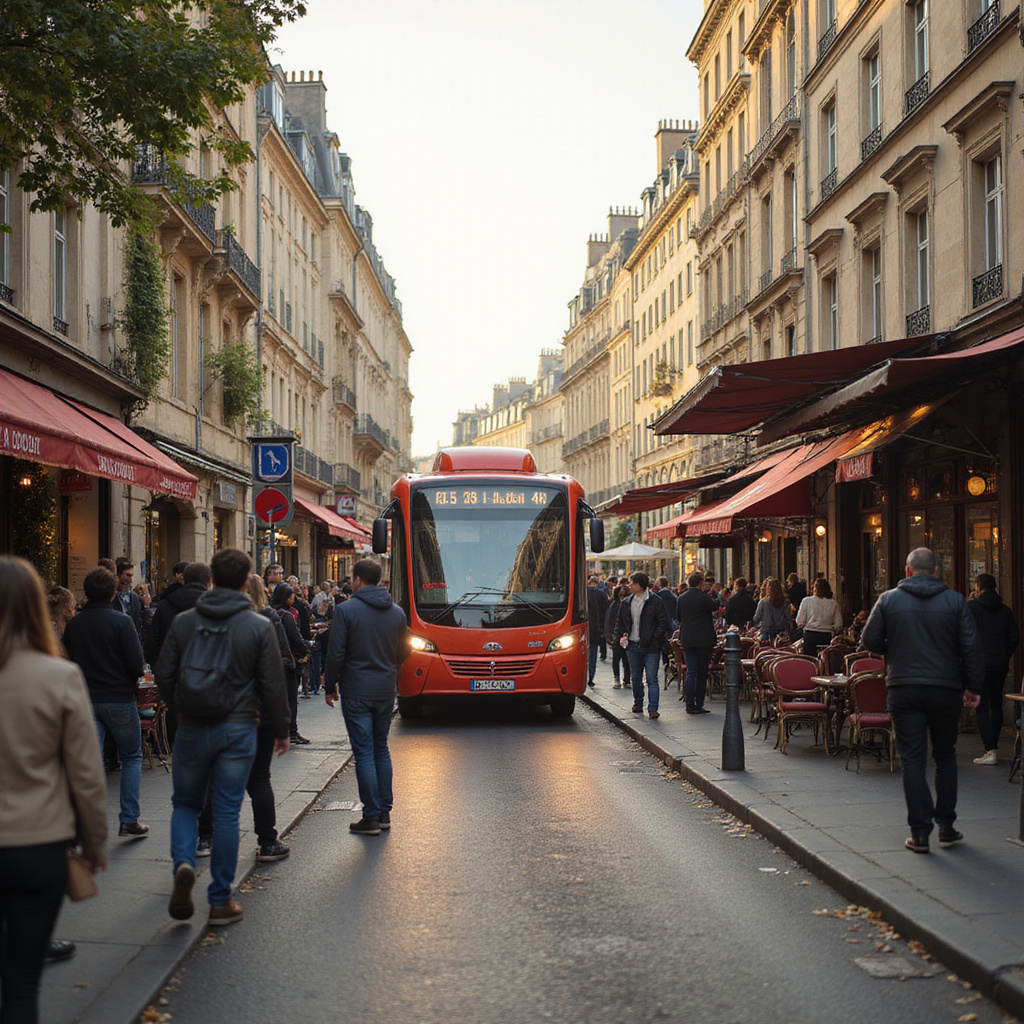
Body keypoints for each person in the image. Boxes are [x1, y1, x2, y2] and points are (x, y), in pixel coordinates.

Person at [156, 548, 290, 926]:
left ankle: (184, 862)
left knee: (185, 804)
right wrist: (281, 730)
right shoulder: (259, 625)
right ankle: (219, 900)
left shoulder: (184, 622)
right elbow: (273, 684)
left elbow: (165, 674)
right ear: (246, 581)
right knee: (229, 809)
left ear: (210, 579)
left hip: (193, 725)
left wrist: (180, 709)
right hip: (239, 726)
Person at [0, 557, 108, 1023]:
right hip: (36, 844)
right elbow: (87, 774)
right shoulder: (58, 676)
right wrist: (95, 841)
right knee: (22, 985)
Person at [860, 547, 983, 853]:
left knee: (913, 759)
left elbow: (869, 640)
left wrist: (895, 644)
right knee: (945, 755)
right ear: (938, 571)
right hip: (945, 688)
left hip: (904, 687)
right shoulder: (955, 601)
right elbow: (971, 647)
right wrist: (973, 687)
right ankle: (946, 826)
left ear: (907, 571)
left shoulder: (889, 600)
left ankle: (920, 832)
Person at [322, 558, 409, 836]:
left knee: (364, 752)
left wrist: (330, 685)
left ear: (357, 580)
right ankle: (384, 812)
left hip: (357, 690)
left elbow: (336, 653)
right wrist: (389, 663)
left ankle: (370, 816)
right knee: (380, 747)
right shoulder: (396, 613)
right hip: (384, 689)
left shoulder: (346, 610)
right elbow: (405, 649)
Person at [62, 567, 149, 839]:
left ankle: (85, 822)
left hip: (86, 698)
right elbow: (137, 664)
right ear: (113, 592)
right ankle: (129, 818)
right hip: (119, 698)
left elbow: (69, 660)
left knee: (90, 762)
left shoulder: (74, 624)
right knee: (132, 756)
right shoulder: (121, 622)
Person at [967, 573, 1019, 766]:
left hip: (977, 664)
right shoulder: (1005, 611)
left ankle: (989, 750)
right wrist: (1004, 656)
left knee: (980, 706)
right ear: (995, 588)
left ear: (978, 588)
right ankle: (994, 747)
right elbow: (1014, 637)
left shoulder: (971, 608)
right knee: (996, 704)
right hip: (999, 664)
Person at [616, 571, 670, 719]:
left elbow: (663, 622)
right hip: (632, 644)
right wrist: (620, 636)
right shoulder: (627, 602)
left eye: (632, 583)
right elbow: (620, 622)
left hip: (651, 646)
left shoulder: (655, 601)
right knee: (636, 676)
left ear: (640, 585)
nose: (629, 586)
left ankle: (653, 708)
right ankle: (638, 702)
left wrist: (655, 638)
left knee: (652, 677)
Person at [145, 562, 212, 668]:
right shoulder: (214, 607)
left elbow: (153, 642)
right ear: (209, 582)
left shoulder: (165, 604)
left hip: (171, 671)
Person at [270, 582, 311, 744]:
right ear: (287, 597)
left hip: (271, 662)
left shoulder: (269, 613)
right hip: (288, 662)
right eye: (292, 594)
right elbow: (295, 639)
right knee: (291, 699)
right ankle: (291, 731)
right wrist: (306, 649)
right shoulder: (286, 617)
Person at [676, 572, 719, 714]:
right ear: (700, 583)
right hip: (704, 639)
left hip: (688, 639)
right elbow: (715, 606)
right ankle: (698, 703)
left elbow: (678, 617)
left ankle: (689, 704)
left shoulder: (681, 598)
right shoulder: (704, 598)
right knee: (702, 672)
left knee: (691, 671)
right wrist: (714, 595)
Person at [795, 577, 844, 658]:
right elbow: (839, 624)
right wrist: (831, 627)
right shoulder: (834, 603)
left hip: (810, 635)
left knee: (808, 658)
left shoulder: (806, 601)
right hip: (827, 636)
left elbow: (800, 621)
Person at [112, 557, 145, 644]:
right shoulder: (110, 597)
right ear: (118, 575)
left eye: (132, 575)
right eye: (128, 575)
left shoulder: (135, 598)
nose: (131, 579)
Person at [605, 584, 632, 689]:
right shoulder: (614, 605)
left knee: (627, 659)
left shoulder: (629, 604)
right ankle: (617, 678)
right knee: (617, 658)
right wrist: (610, 634)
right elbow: (610, 620)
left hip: (626, 635)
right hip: (617, 635)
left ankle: (627, 679)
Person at [586, 576, 609, 688]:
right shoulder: (601, 594)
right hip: (595, 630)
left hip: (581, 629)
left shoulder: (582, 593)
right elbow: (606, 611)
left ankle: (586, 677)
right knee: (592, 655)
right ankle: (590, 678)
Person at [752, 578, 791, 642]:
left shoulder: (763, 602)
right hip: (781, 633)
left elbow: (756, 618)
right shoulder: (785, 602)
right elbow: (788, 617)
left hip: (766, 632)